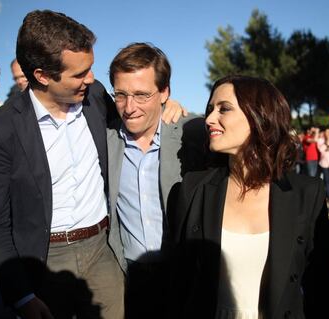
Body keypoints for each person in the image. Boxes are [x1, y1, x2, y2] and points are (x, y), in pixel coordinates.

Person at [0, 10, 184, 319]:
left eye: (90, 69)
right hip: (44, 259)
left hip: (103, 251)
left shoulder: (96, 97)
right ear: (42, 75)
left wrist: (169, 104)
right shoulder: (0, 129)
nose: (90, 78)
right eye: (79, 73)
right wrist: (21, 297)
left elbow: (139, 112)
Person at [170, 75, 329, 318]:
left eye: (223, 109)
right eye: (210, 110)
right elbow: (179, 283)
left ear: (259, 117)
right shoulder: (193, 189)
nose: (210, 119)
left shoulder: (307, 193)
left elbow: (319, 287)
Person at [107, 42, 207, 319]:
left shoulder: (194, 134)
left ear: (165, 92)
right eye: (121, 95)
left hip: (184, 275)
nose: (129, 107)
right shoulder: (103, 139)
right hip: (129, 277)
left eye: (141, 95)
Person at [318, 127, 329, 202]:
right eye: (326, 132)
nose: (328, 134)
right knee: (327, 180)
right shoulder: (321, 140)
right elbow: (321, 150)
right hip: (324, 164)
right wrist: (327, 143)